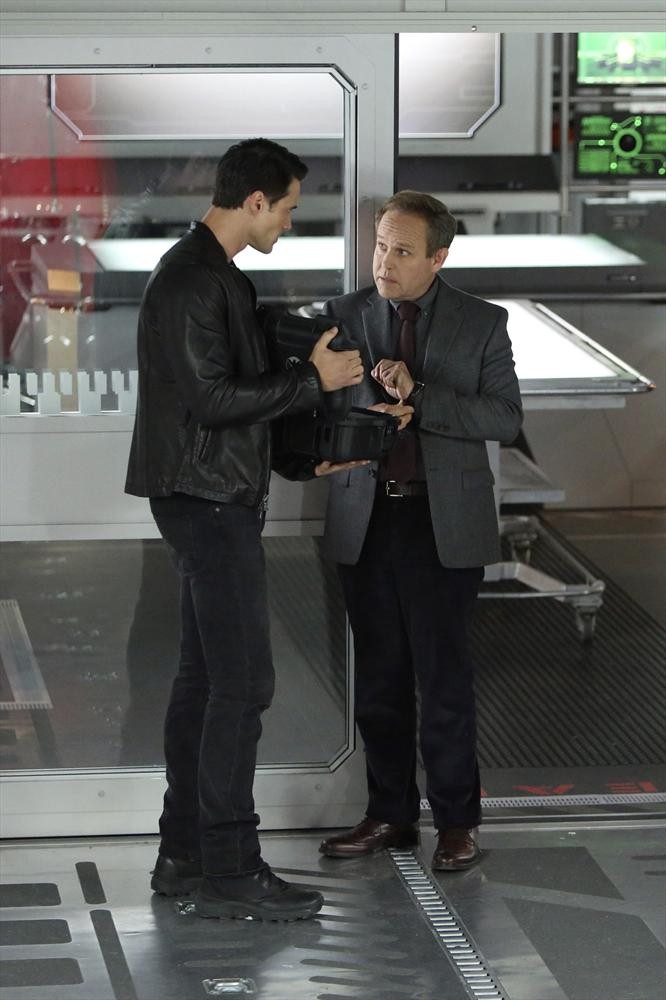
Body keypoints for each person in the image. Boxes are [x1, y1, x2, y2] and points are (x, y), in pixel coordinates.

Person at [125, 137, 365, 922]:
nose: (289, 222)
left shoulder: (217, 276)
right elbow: (214, 401)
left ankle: (184, 854)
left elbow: (235, 398)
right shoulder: (192, 281)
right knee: (243, 684)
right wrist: (312, 380)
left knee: (205, 683)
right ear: (255, 201)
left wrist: (302, 457)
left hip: (210, 494)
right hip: (206, 501)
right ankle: (230, 865)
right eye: (287, 208)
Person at [318, 190, 523, 870]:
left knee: (444, 681)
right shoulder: (342, 315)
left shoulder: (481, 322)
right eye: (380, 246)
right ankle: (390, 815)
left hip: (442, 522)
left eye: (402, 251)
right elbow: (316, 409)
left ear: (439, 257)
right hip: (366, 518)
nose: (385, 262)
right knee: (379, 681)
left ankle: (457, 823)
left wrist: (423, 399)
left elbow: (504, 418)